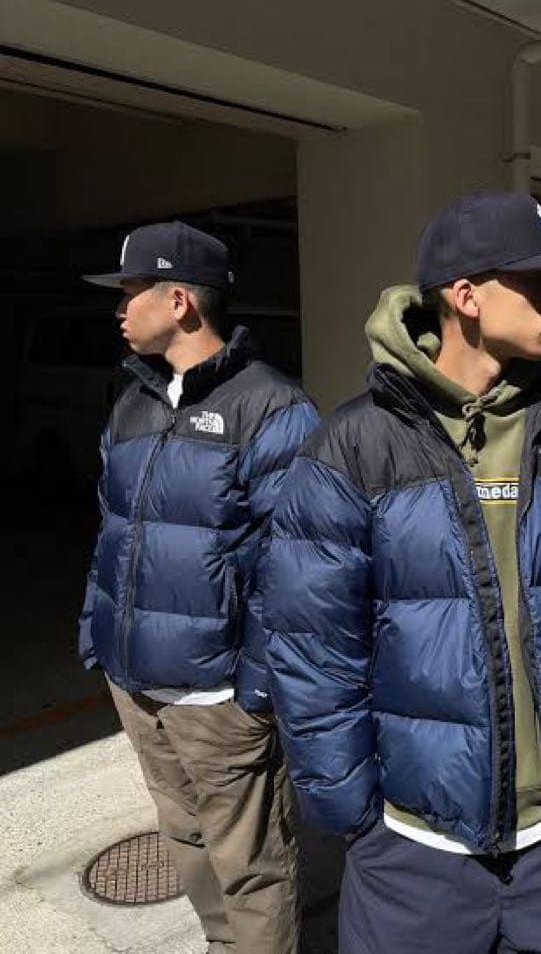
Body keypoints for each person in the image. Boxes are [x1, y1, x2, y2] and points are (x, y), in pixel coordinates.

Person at [263, 190, 541, 953]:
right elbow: (312, 648)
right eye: (536, 280)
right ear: (465, 296)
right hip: (414, 854)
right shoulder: (355, 446)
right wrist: (357, 814)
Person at [78, 221, 317, 954]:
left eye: (130, 292)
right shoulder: (133, 401)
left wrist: (255, 692)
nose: (119, 309)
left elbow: (297, 567)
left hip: (218, 702)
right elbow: (112, 530)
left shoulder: (271, 408)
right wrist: (98, 634)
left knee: (254, 871)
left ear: (178, 301)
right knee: (185, 843)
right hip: (135, 685)